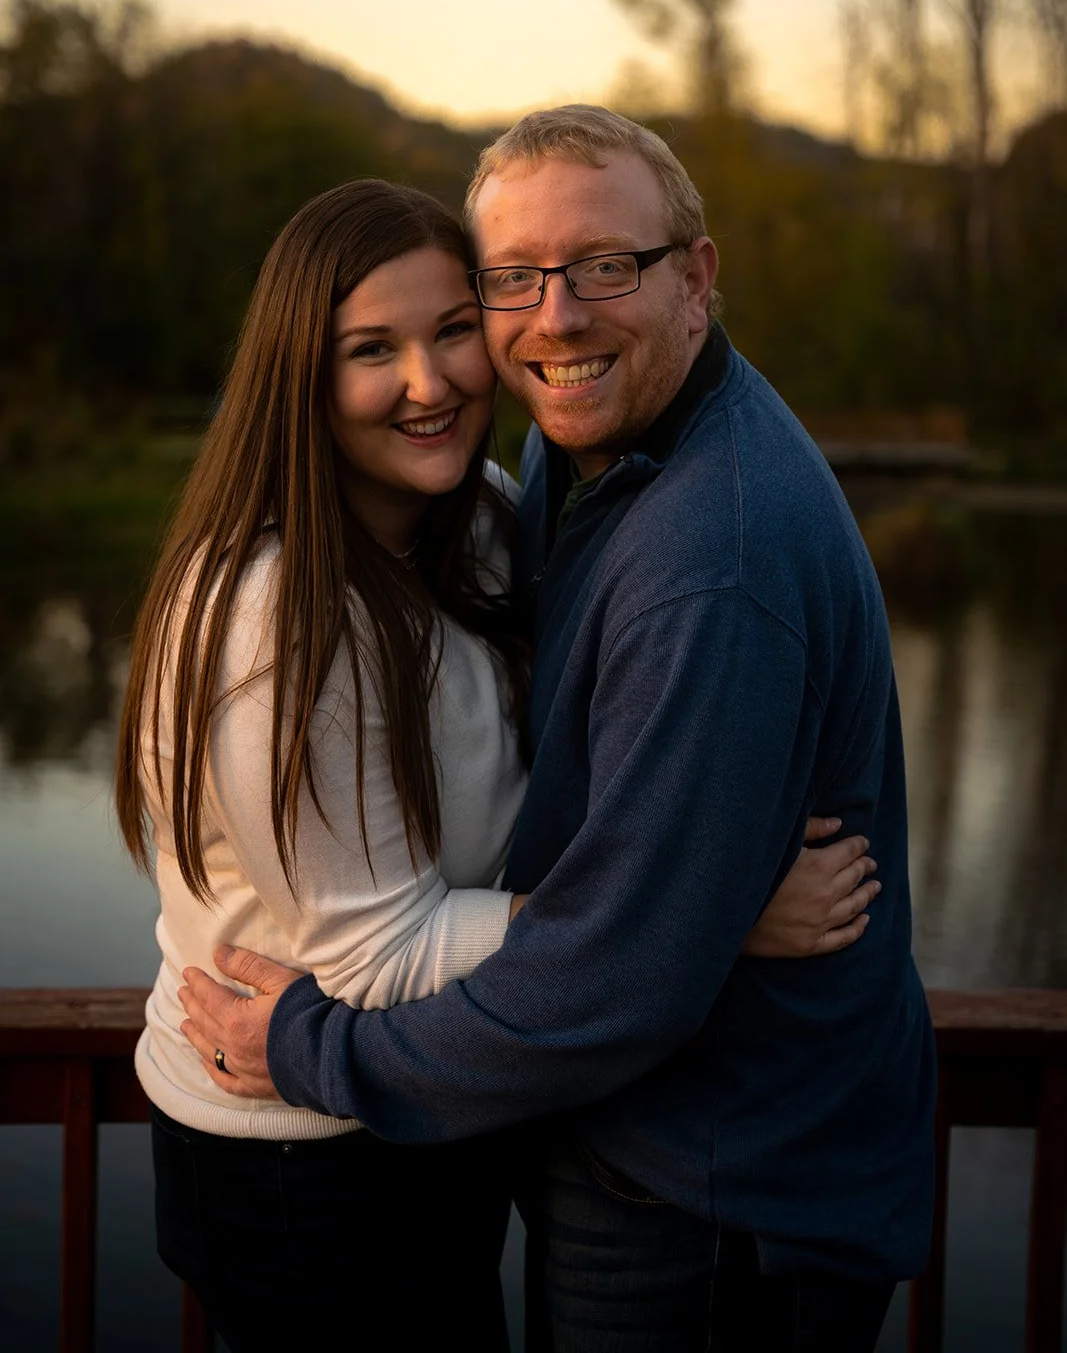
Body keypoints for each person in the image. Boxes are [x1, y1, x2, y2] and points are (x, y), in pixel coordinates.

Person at [182, 107, 935, 1352]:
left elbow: (619, 979)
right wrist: (711, 899)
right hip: (641, 1141)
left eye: (604, 267)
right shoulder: (572, 463)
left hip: (713, 1184)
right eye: (512, 280)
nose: (557, 316)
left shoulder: (710, 559)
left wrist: (315, 1050)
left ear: (695, 277)